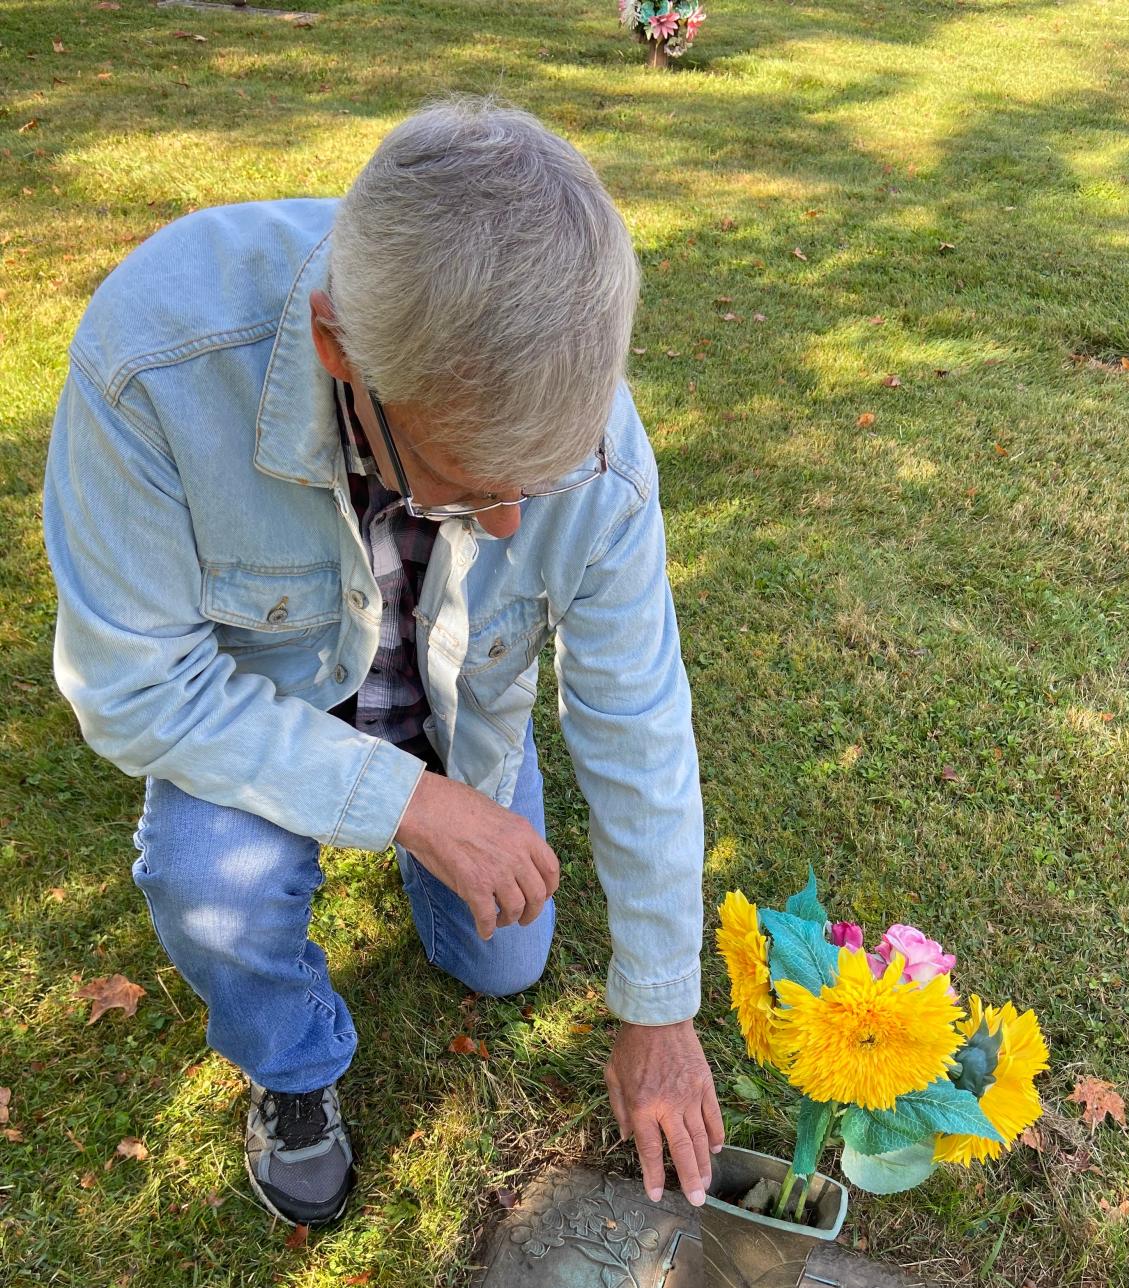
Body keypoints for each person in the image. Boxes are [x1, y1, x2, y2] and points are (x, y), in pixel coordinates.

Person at [43, 97, 724, 1227]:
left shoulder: (595, 435)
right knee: (216, 884)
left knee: (503, 963)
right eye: (469, 483)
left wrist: (659, 1004)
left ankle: (444, 830)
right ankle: (294, 1074)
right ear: (335, 350)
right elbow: (133, 687)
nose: (508, 528)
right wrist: (413, 807)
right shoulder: (153, 365)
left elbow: (636, 713)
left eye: (535, 488)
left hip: (459, 723)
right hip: (252, 715)